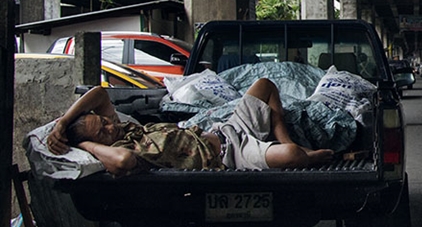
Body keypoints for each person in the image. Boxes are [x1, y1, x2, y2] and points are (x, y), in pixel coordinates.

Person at [45, 79, 335, 176]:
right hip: (230, 155)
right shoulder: (121, 149)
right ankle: (309, 155)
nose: (110, 126)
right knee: (292, 156)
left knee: (265, 86)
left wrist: (64, 121)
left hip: (226, 129)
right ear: (97, 144)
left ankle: (289, 143)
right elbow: (122, 162)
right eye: (102, 130)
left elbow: (99, 93)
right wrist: (84, 145)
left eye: (105, 120)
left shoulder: (125, 128)